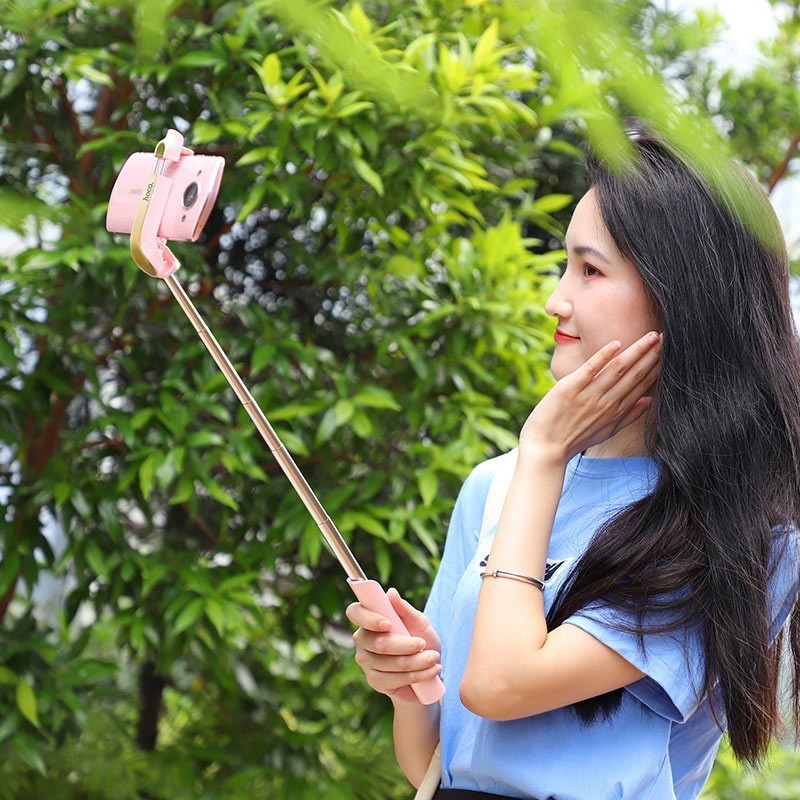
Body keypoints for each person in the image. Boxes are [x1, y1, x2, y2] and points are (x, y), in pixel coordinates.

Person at [345, 122, 800, 800]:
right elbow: (433, 763)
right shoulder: (494, 486)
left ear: (682, 300)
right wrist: (408, 683)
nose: (555, 300)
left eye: (589, 270)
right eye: (566, 265)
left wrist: (545, 454)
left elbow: (502, 684)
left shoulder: (742, 534)